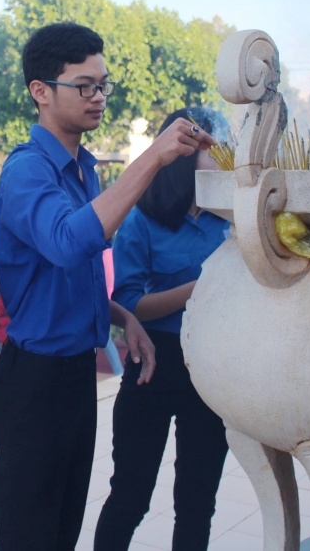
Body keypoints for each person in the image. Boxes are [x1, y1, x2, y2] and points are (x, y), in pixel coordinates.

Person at [0, 22, 214, 551]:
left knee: (62, 528)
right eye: (83, 86)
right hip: (34, 381)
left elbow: (68, 276)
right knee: (31, 535)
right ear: (40, 92)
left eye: (102, 85)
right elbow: (69, 244)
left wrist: (122, 316)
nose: (97, 98)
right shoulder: (28, 171)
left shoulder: (81, 170)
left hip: (74, 377)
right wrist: (155, 156)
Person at [94, 108, 232, 550]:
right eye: (214, 147)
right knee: (131, 497)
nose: (223, 156)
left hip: (210, 368)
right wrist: (203, 286)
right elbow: (131, 305)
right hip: (152, 362)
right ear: (184, 155)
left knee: (197, 502)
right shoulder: (141, 221)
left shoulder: (229, 222)